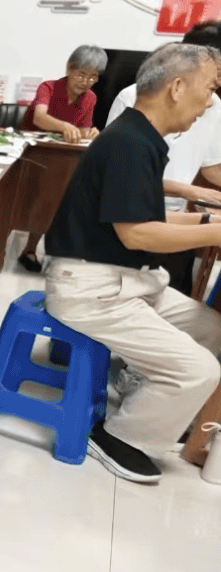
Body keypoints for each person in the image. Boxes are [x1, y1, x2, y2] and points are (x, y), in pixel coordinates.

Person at [44, 43, 221, 484]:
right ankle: (118, 437)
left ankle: (141, 394)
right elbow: (138, 233)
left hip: (123, 282)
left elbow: (148, 216)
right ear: (178, 87)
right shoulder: (127, 142)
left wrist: (203, 217)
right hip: (90, 290)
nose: (211, 102)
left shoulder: (141, 137)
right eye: (209, 89)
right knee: (201, 369)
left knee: (211, 329)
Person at [107, 22, 221, 293]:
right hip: (128, 230)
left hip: (172, 219)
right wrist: (207, 218)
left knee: (179, 299)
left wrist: (208, 220)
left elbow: (212, 166)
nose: (208, 102)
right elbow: (132, 226)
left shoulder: (214, 106)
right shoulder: (134, 106)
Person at [20, 44, 108, 272]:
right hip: (29, 154)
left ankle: (34, 249)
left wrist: (89, 132)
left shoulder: (90, 98)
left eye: (93, 77)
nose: (86, 82)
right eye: (81, 74)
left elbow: (83, 129)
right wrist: (65, 126)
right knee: (27, 198)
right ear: (69, 69)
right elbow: (39, 118)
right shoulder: (48, 87)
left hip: (59, 159)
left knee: (55, 197)